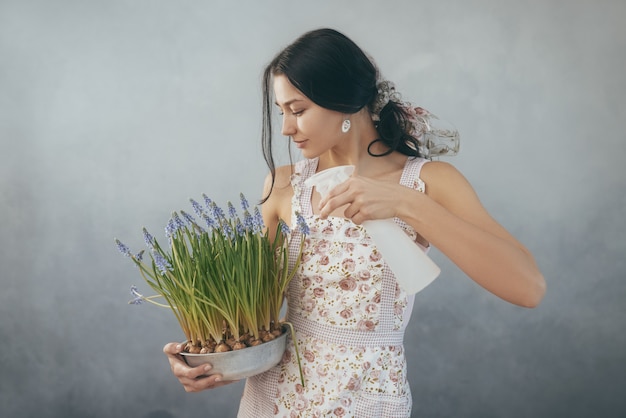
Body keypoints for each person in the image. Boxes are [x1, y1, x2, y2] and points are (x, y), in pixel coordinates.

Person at [163, 28, 546, 417]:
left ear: (344, 102)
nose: (285, 128)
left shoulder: (428, 181)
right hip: (276, 401)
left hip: (368, 400)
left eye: (298, 111)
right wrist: (207, 356)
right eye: (281, 112)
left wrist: (406, 204)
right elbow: (253, 318)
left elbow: (528, 287)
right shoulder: (282, 186)